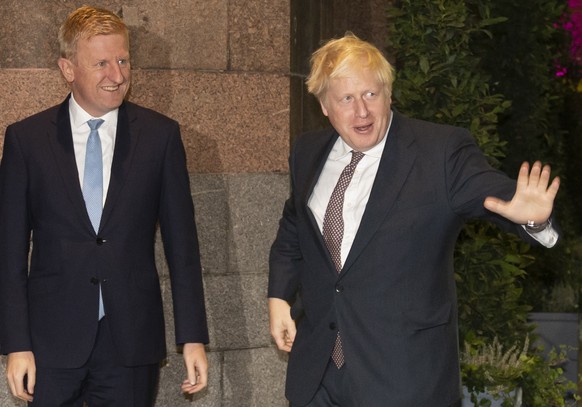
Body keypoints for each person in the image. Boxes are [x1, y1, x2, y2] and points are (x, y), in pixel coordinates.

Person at [268, 33, 560, 406]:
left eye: (371, 94)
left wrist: (530, 218)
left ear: (389, 93)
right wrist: (277, 296)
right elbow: (295, 226)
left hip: (403, 379)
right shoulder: (307, 153)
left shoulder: (439, 151)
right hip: (317, 378)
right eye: (346, 98)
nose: (362, 111)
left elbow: (488, 193)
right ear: (324, 105)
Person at [0, 6, 209, 406]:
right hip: (48, 346)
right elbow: (9, 253)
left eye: (122, 60)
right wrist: (16, 344)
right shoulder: (27, 141)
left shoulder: (160, 137)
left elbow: (183, 250)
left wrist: (193, 337)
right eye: (100, 63)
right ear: (67, 68)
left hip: (130, 345)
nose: (117, 75)